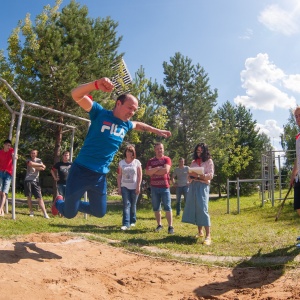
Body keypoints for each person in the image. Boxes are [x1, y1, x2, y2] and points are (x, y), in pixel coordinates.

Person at [52, 77, 171, 219]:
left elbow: (138, 124)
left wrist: (156, 130)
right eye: (130, 108)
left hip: (99, 176)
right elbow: (76, 94)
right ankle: (59, 203)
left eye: (135, 110)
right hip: (80, 171)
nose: (132, 112)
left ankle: (68, 204)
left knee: (99, 212)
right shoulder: (99, 113)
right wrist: (95, 84)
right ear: (118, 103)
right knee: (69, 213)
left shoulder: (126, 125)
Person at [182, 143, 214, 245]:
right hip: (193, 186)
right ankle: (200, 232)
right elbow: (189, 175)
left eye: (201, 151)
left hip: (203, 186)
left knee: (203, 208)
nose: (199, 153)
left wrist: (199, 176)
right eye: (197, 151)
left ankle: (208, 236)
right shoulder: (193, 162)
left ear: (205, 151)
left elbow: (210, 175)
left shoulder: (209, 161)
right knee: (196, 208)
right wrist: (191, 176)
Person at [145, 142, 174, 234]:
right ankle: (159, 225)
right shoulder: (150, 161)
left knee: (168, 207)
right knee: (156, 207)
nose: (159, 150)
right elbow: (147, 172)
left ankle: (170, 226)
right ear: (155, 150)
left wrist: (154, 170)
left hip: (165, 187)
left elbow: (166, 170)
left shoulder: (167, 159)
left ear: (163, 149)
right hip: (154, 187)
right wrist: (158, 169)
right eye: (157, 149)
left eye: (161, 148)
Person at [117, 144, 142, 230]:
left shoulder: (137, 162)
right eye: (127, 151)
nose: (129, 153)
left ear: (133, 153)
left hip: (134, 186)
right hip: (124, 186)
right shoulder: (121, 163)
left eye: (130, 152)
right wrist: (119, 187)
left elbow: (139, 175)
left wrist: (138, 186)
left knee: (133, 205)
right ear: (125, 152)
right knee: (126, 205)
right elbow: (119, 175)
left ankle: (133, 221)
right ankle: (125, 223)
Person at [24, 149, 49, 219]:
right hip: (28, 179)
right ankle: (31, 211)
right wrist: (40, 165)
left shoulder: (39, 160)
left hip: (36, 180)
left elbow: (43, 168)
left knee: (39, 197)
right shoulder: (28, 159)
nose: (33, 154)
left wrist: (37, 166)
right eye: (32, 153)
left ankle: (45, 213)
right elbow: (30, 164)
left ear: (36, 154)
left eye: (34, 153)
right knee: (29, 196)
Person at [0, 139, 15, 216]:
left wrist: (14, 156)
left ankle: (0, 209)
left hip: (8, 174)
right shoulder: (0, 152)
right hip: (0, 172)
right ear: (4, 145)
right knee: (0, 192)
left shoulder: (11, 150)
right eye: (8, 145)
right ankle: (1, 209)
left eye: (10, 145)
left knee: (4, 193)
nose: (9, 147)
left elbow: (14, 155)